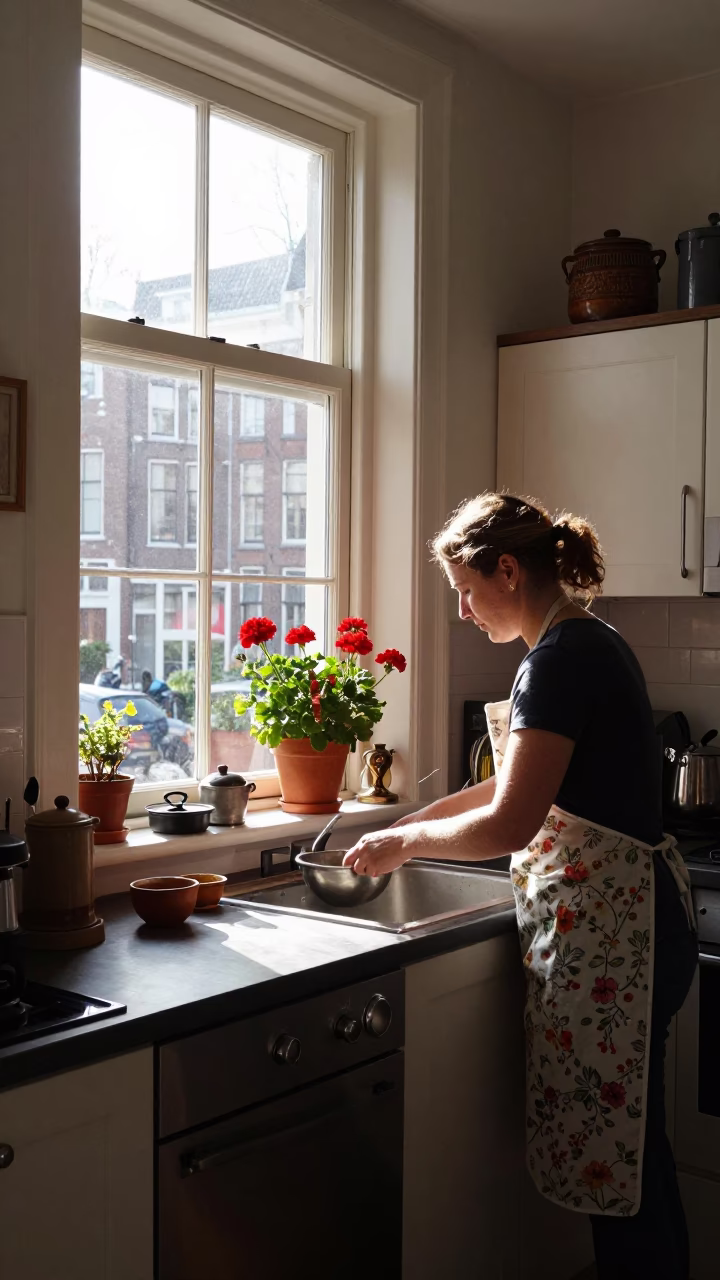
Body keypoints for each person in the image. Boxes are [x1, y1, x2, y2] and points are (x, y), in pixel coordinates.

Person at [343, 492, 698, 1280]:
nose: (464, 612)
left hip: (617, 938)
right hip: (631, 927)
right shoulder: (580, 642)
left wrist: (405, 841)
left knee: (621, 1178)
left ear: (508, 569)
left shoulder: (560, 660)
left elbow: (509, 823)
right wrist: (413, 822)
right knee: (635, 1160)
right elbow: (514, 785)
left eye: (468, 591)